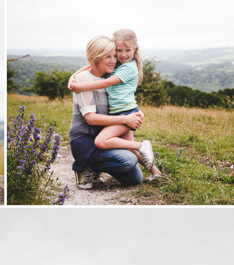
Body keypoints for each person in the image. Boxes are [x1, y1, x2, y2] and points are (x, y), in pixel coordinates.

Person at [67, 29, 162, 181]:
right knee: (128, 155)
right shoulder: (96, 74)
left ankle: (155, 171)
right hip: (88, 138)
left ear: (134, 49)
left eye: (114, 55)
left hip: (124, 113)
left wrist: (132, 115)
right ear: (97, 57)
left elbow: (110, 83)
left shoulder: (117, 70)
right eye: (113, 54)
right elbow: (87, 69)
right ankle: (87, 167)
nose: (116, 58)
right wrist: (73, 78)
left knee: (135, 177)